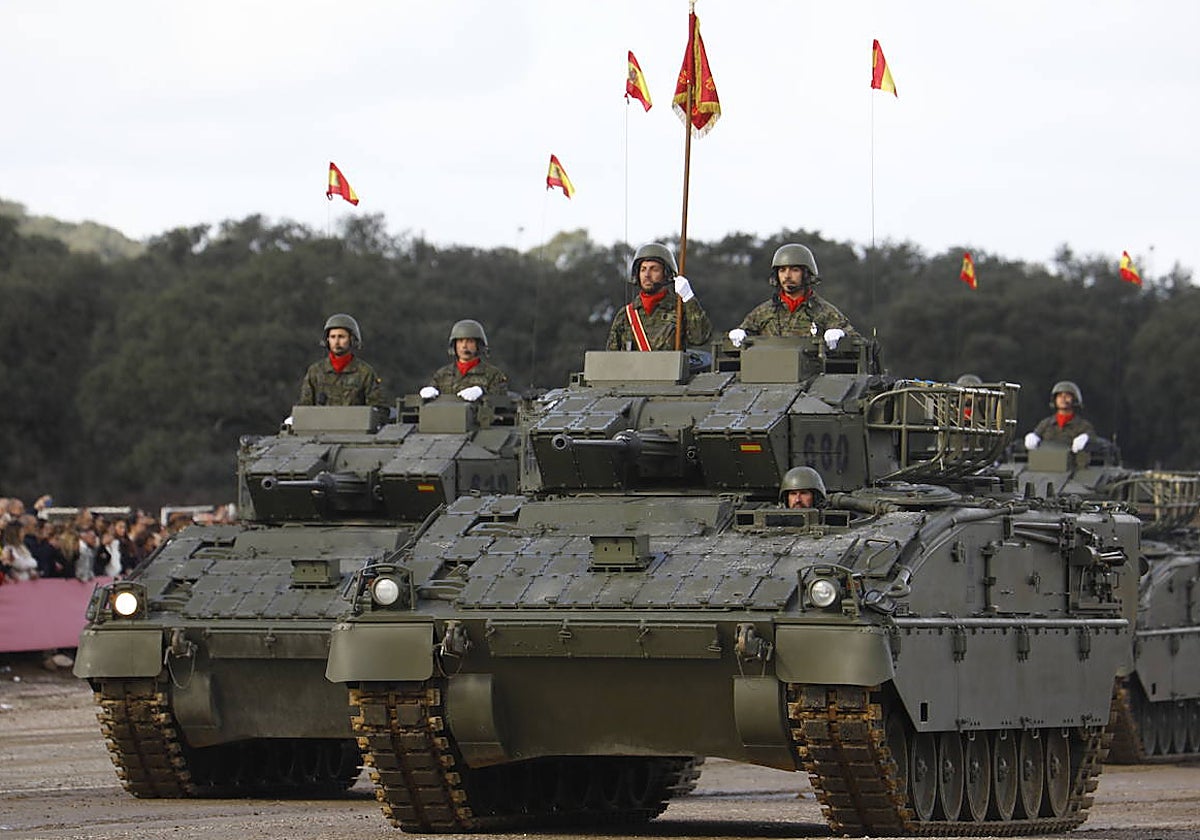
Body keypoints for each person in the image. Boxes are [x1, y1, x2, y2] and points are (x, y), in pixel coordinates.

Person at [729, 243, 856, 350]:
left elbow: (857, 343)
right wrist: (739, 335)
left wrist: (842, 335)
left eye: (794, 270)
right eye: (782, 270)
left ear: (806, 274)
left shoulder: (824, 312)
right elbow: (737, 344)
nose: (787, 276)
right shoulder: (763, 312)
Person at [607, 242, 712, 351]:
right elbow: (610, 356)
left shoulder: (679, 309)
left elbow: (700, 337)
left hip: (671, 363)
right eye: (643, 269)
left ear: (666, 274)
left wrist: (688, 297)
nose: (647, 275)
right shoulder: (626, 315)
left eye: (654, 269)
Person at [298, 313, 385, 407]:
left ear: (351, 339)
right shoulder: (315, 372)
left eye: (341, 337)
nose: (336, 342)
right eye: (333, 337)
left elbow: (376, 408)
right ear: (327, 340)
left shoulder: (365, 373)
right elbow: (304, 407)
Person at [420, 319, 509, 403]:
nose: (464, 346)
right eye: (460, 341)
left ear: (478, 345)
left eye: (470, 341)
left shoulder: (493, 375)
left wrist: (482, 391)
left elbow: (502, 399)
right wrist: (429, 391)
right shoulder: (442, 374)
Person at [1024, 380, 1095, 452]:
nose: (1063, 398)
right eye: (1060, 396)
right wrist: (1032, 437)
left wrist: (1086, 439)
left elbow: (1094, 440)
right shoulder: (1046, 424)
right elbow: (1036, 436)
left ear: (1074, 399)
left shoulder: (1083, 426)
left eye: (1067, 396)